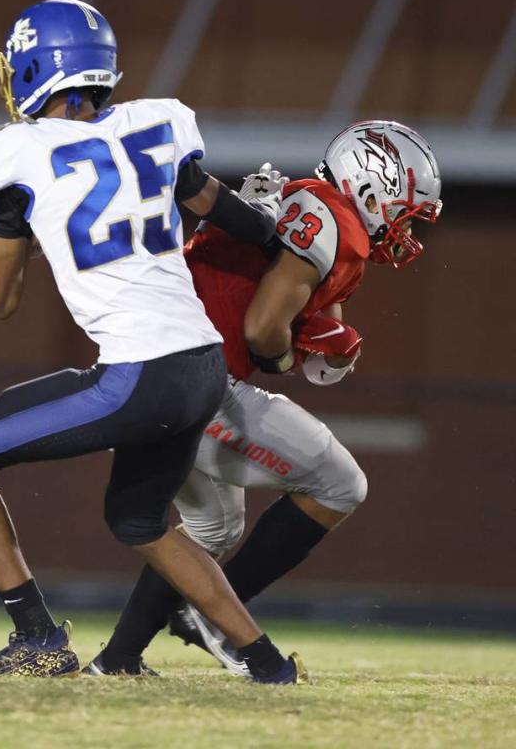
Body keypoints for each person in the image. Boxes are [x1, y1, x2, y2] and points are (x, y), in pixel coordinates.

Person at [0, 0, 305, 682]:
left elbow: (0, 303)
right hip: (203, 366)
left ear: (39, 69)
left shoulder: (18, 154)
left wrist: (39, 237)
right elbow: (230, 215)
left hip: (140, 373)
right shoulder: (156, 126)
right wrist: (287, 242)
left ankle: (37, 636)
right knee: (138, 519)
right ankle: (266, 661)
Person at [88, 121, 442, 676]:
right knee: (340, 483)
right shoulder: (335, 225)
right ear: (373, 188)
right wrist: (284, 356)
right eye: (405, 210)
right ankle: (219, 622)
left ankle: (119, 658)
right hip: (192, 379)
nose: (405, 228)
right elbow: (261, 330)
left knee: (211, 532)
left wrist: (318, 338)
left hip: (153, 366)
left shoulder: (317, 209)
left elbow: (289, 308)